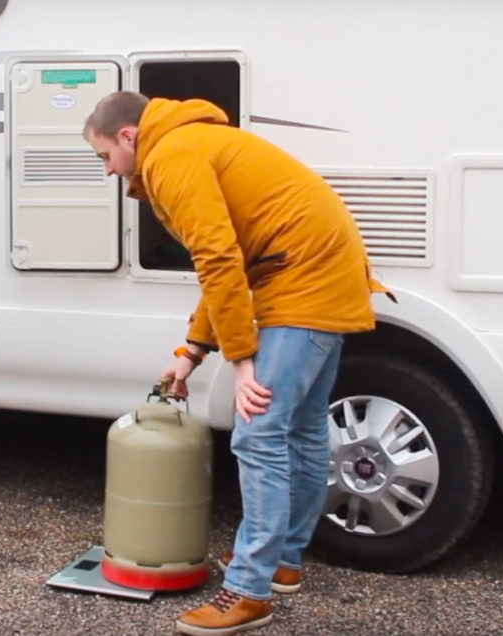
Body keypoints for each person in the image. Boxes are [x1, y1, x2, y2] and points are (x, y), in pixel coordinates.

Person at [84, 92, 390, 635]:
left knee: (258, 431)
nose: (108, 169)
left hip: (302, 281)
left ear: (128, 135)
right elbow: (233, 258)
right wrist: (192, 353)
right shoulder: (191, 140)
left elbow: (220, 258)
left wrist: (242, 361)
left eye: (105, 155)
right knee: (300, 429)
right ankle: (283, 563)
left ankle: (248, 591)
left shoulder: (170, 155)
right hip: (322, 273)